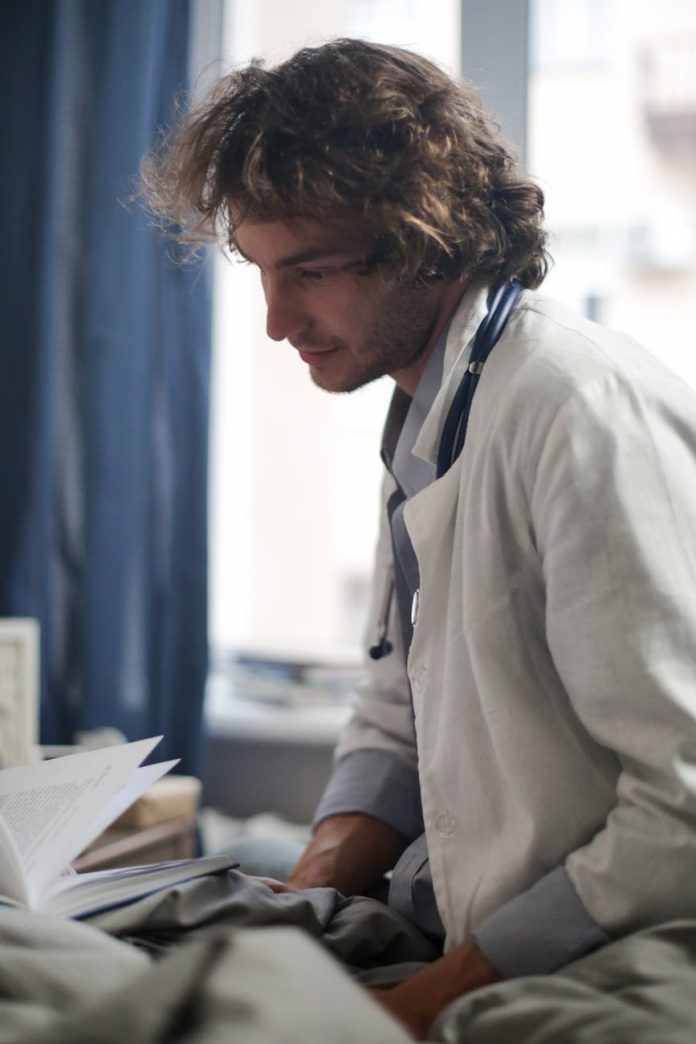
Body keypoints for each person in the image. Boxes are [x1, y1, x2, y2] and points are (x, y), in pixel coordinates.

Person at [142, 38, 696, 1039]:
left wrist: (424, 1000)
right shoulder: (430, 417)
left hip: (605, 948)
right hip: (443, 917)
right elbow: (402, 707)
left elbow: (686, 798)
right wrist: (302, 907)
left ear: (424, 235)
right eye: (262, 273)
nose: (275, 322)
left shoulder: (575, 409)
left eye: (306, 272)